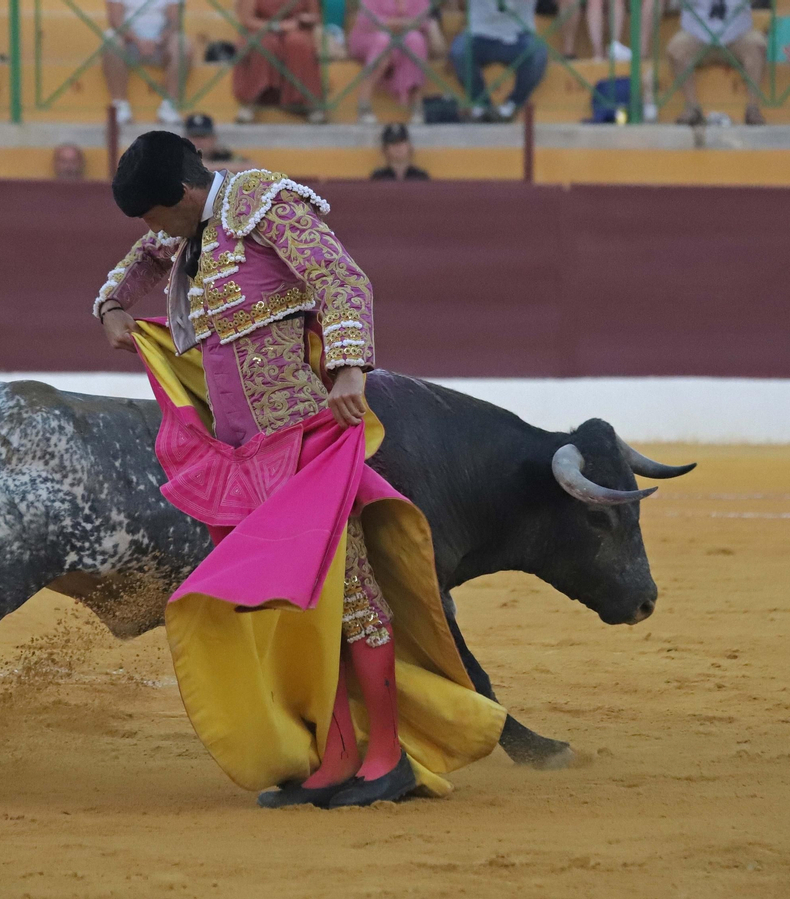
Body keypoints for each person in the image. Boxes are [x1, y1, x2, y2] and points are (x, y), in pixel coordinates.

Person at [92, 132, 504, 808]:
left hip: (305, 441)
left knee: (349, 594)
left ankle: (386, 755)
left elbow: (342, 278)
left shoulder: (259, 202)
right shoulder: (188, 230)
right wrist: (111, 305)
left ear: (181, 196)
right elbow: (140, 260)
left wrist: (348, 368)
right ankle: (336, 752)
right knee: (297, 609)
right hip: (244, 457)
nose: (150, 231)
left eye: (152, 215)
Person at [667, 0, 767, 125]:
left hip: (736, 38)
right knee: (676, 49)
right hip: (697, 38)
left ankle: (753, 109)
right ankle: (692, 108)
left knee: (757, 45)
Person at [448, 0, 547, 122]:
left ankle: (512, 105)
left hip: (520, 35)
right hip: (478, 34)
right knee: (460, 51)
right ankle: (481, 105)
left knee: (538, 52)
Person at [232, 0, 324, 123]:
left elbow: (315, 16)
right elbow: (247, 20)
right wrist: (278, 26)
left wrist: (305, 19)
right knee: (264, 44)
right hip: (260, 29)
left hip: (296, 29)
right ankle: (249, 103)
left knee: (298, 43)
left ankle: (310, 103)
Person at [104, 0, 187, 125]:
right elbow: (115, 20)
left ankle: (170, 106)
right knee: (111, 42)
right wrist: (137, 41)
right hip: (128, 42)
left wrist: (158, 40)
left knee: (182, 45)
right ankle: (120, 105)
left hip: (161, 44)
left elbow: (174, 20)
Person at [348, 0, 430, 124]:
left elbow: (422, 22)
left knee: (416, 40)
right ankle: (364, 105)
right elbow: (367, 21)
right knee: (384, 40)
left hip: (402, 36)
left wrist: (396, 25)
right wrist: (402, 23)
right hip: (369, 36)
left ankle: (417, 106)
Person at [184, 112, 252, 167]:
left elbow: (251, 167)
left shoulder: (223, 155)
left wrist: (210, 166)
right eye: (194, 136)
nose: (199, 141)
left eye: (203, 136)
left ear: (213, 138)